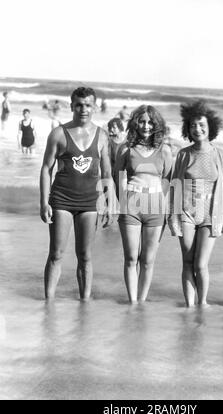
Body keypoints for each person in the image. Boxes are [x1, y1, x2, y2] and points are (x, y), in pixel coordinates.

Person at [40, 87, 114, 300]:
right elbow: (46, 169)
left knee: (85, 256)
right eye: (79, 105)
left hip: (90, 202)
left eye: (88, 105)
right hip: (61, 200)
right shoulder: (58, 134)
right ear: (72, 106)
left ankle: (85, 302)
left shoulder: (102, 136)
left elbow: (107, 173)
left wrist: (108, 203)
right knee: (56, 254)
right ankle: (48, 303)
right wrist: (44, 202)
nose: (83, 109)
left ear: (95, 107)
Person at [168, 100, 223, 307]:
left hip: (210, 215)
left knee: (201, 264)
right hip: (186, 213)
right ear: (188, 129)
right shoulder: (184, 154)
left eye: (202, 125)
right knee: (187, 262)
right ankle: (189, 305)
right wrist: (173, 217)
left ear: (210, 127)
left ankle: (203, 303)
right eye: (193, 125)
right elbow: (175, 186)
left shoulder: (220, 155)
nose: (197, 129)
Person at [114, 105, 173, 304]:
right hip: (131, 205)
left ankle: (142, 301)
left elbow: (168, 180)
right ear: (135, 123)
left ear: (156, 125)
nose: (146, 126)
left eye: (150, 122)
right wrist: (121, 203)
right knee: (131, 258)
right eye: (142, 121)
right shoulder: (125, 148)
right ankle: (132, 303)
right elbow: (117, 177)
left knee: (147, 261)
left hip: (155, 208)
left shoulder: (164, 150)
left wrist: (164, 208)